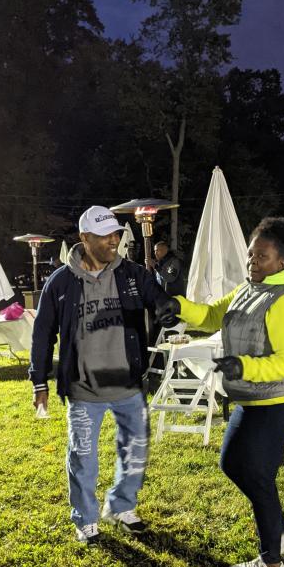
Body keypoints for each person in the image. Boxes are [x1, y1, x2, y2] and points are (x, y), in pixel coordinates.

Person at [158, 217, 284, 567]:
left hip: (279, 401)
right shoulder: (247, 289)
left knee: (257, 473)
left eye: (262, 257)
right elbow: (212, 315)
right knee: (232, 463)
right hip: (251, 397)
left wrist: (242, 366)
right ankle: (283, 531)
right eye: (250, 255)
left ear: (283, 263)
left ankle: (271, 562)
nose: (253, 263)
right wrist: (180, 307)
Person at [29, 205, 175, 545]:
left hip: (127, 385)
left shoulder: (131, 274)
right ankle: (86, 519)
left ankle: (121, 506)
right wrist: (40, 381)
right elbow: (42, 334)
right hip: (84, 390)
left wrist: (167, 307)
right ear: (84, 238)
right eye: (105, 235)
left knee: (134, 452)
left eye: (116, 234)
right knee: (82, 457)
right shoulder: (61, 283)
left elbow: (157, 296)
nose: (113, 240)